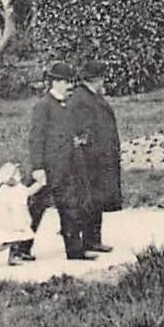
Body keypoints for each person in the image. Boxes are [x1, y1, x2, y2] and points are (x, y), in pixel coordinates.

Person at [27, 61, 109, 260]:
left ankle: (75, 252)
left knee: (70, 208)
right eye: (64, 82)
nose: (69, 85)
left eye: (70, 81)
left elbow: (71, 132)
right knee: (35, 210)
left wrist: (79, 140)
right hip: (47, 169)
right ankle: (20, 250)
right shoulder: (43, 106)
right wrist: (38, 167)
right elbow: (36, 138)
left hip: (67, 167)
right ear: (54, 82)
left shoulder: (68, 106)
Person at [67, 60, 123, 252]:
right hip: (90, 159)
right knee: (87, 200)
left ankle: (93, 240)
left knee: (96, 200)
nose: (104, 82)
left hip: (100, 157)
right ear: (96, 79)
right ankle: (85, 241)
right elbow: (83, 131)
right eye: (102, 78)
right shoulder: (81, 99)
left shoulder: (91, 96)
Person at [0, 162, 43, 265]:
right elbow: (29, 191)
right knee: (16, 239)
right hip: (15, 221)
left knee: (12, 240)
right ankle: (12, 257)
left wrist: (40, 184)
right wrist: (40, 184)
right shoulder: (14, 190)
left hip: (14, 219)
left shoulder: (8, 190)